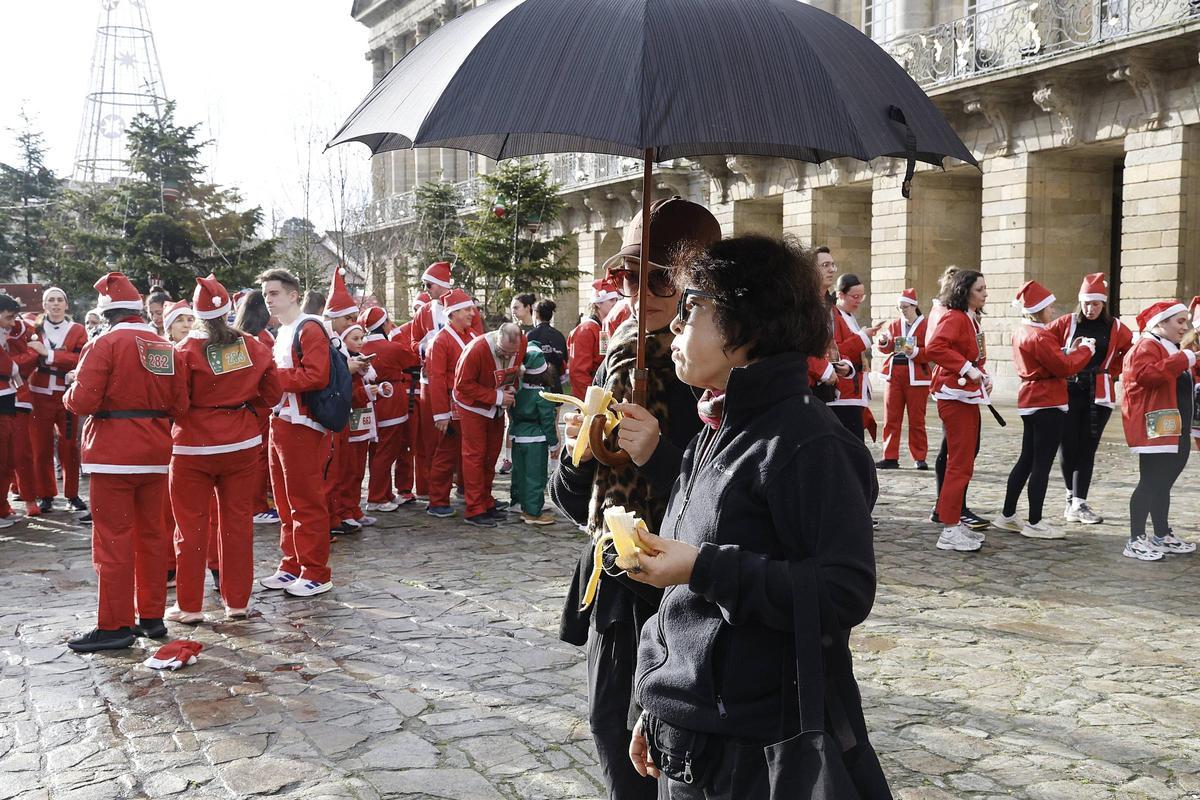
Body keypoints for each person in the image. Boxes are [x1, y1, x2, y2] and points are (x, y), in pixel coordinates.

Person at [625, 235, 890, 799]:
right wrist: (654, 702)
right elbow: (682, 604)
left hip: (757, 749)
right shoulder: (713, 430)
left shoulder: (809, 443)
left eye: (691, 307)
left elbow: (843, 591)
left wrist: (704, 568)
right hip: (690, 736)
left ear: (744, 326)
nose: (674, 324)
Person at [552, 196, 720, 800]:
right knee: (609, 725)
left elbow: (720, 499)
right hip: (612, 575)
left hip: (672, 586)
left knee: (653, 745)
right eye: (628, 274)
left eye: (660, 279)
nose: (639, 291)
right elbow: (578, 503)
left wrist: (660, 451)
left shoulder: (711, 372)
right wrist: (577, 452)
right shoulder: (617, 355)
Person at [62, 272, 189, 652]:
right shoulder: (165, 346)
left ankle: (114, 624)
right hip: (155, 452)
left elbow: (82, 402)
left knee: (113, 541)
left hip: (113, 454)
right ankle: (150, 616)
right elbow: (180, 405)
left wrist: (70, 390)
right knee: (152, 537)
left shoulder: (103, 344)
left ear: (107, 313)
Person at [167, 275, 281, 622]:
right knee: (237, 524)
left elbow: (177, 402)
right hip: (242, 444)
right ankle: (238, 602)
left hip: (192, 447)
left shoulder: (183, 350)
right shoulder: (252, 345)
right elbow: (272, 393)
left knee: (190, 528)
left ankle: (189, 606)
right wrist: (246, 412)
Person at [992, 281, 1094, 540]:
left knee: (1026, 460)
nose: (1053, 311)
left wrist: (1068, 351)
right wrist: (1085, 351)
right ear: (1038, 310)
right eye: (1049, 307)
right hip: (1048, 400)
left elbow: (1049, 359)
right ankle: (1035, 521)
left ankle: (1007, 515)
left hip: (1031, 400)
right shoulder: (1040, 334)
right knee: (1041, 465)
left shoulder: (1023, 331)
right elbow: (1065, 368)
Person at [257, 268, 337, 597]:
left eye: (273, 293)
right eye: (265, 295)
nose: (268, 300)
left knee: (305, 501)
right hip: (283, 421)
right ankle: (292, 564)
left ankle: (316, 571)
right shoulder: (285, 330)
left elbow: (317, 376)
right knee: (286, 501)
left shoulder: (309, 328)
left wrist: (272, 379)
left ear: (293, 295)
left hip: (303, 424)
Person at [1046, 273, 1133, 524]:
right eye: (1086, 303)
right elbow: (1043, 344)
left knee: (1088, 446)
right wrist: (1064, 359)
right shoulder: (1067, 323)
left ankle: (1079, 502)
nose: (1090, 308)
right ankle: (1070, 496)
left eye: (1095, 303)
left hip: (1099, 393)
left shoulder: (1115, 326)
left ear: (1103, 303)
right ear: (1080, 302)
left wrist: (1112, 371)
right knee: (1068, 444)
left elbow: (1130, 352)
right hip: (1069, 389)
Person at [1119, 300, 1197, 561]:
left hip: (1173, 424)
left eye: (1185, 321)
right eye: (1179, 322)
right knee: (1151, 482)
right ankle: (1135, 539)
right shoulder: (1146, 345)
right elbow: (1146, 376)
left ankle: (1161, 534)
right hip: (1156, 425)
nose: (1184, 327)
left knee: (1163, 483)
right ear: (1161, 322)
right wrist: (1182, 359)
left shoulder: (1168, 346)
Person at [925, 269, 991, 553]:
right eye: (980, 289)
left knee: (963, 462)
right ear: (964, 291)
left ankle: (953, 521)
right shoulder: (955, 317)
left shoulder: (968, 318)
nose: (985, 293)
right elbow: (935, 348)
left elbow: (970, 355)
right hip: (955, 396)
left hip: (964, 394)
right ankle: (950, 527)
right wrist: (966, 369)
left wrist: (980, 374)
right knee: (959, 463)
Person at [454, 322, 525, 527]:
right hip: (473, 407)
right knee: (475, 456)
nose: (506, 355)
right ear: (497, 339)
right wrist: (496, 396)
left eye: (512, 352)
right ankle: (474, 508)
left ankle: (486, 500)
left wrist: (511, 390)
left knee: (491, 454)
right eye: (503, 351)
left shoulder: (521, 344)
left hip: (497, 406)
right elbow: (462, 385)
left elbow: (513, 372)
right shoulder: (476, 350)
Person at [29, 286, 89, 514]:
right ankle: (46, 494)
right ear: (44, 305)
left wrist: (49, 354)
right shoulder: (34, 329)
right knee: (40, 446)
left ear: (66, 305)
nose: (55, 304)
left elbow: (80, 358)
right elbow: (30, 354)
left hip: (66, 395)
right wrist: (61, 357)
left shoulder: (77, 329)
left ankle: (72, 494)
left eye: (59, 300)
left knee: (69, 446)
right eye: (50, 300)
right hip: (39, 394)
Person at [425, 288, 479, 519]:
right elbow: (435, 378)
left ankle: (471, 493)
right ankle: (437, 499)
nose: (472, 313)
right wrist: (441, 414)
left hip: (468, 403)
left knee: (468, 451)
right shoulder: (441, 341)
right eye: (467, 309)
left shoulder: (470, 336)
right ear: (453, 313)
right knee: (446, 453)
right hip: (450, 403)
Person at [359, 305, 420, 511]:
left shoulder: (361, 346)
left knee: (375, 450)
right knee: (386, 452)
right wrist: (397, 336)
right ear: (384, 324)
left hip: (369, 401)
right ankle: (377, 498)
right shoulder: (392, 347)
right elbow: (412, 359)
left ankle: (383, 493)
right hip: (390, 401)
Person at [322, 269, 368, 537]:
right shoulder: (322, 338)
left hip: (340, 412)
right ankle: (328, 518)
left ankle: (335, 514)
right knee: (328, 470)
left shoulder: (337, 341)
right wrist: (347, 370)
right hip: (327, 413)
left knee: (340, 468)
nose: (352, 322)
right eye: (348, 318)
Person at [234, 290, 280, 526]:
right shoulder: (261, 339)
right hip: (260, 404)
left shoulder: (240, 336)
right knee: (260, 455)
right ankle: (257, 505)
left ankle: (259, 501)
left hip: (249, 404)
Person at [875, 288, 931, 470]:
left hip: (916, 375)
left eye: (905, 307)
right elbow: (887, 347)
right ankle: (890, 455)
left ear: (914, 306)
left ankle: (919, 456)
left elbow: (932, 352)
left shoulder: (927, 325)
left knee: (917, 419)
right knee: (891, 416)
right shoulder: (894, 325)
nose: (903, 311)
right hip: (895, 373)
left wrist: (914, 352)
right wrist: (883, 342)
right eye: (900, 308)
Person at [507, 343, 558, 525]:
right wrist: (554, 444)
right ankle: (533, 512)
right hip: (536, 439)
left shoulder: (518, 391)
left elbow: (511, 413)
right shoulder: (543, 395)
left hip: (518, 436)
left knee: (520, 473)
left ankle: (519, 502)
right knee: (535, 476)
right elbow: (547, 421)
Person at [827, 274, 881, 439]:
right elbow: (835, 351)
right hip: (843, 391)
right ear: (841, 295)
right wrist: (862, 338)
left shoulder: (849, 316)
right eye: (855, 296)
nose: (858, 301)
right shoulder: (834, 315)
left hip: (854, 390)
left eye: (861, 296)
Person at [0, 293, 37, 529]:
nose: (12, 324)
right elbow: (10, 366)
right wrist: (34, 352)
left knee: (8, 461)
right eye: (8, 318)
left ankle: (2, 508)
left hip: (7, 402)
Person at [336, 323, 376, 531]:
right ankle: (344, 510)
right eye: (355, 339)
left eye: (362, 338)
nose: (360, 342)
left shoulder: (361, 363)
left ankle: (354, 508)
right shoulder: (343, 362)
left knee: (359, 469)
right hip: (350, 422)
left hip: (362, 422)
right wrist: (367, 393)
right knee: (348, 470)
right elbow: (346, 394)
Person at [568, 277, 622, 400]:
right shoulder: (586, 329)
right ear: (598, 303)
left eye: (616, 300)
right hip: (591, 396)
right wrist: (590, 401)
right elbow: (578, 372)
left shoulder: (603, 327)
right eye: (611, 300)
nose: (615, 304)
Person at [528, 299, 568, 394]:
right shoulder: (559, 335)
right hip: (556, 387)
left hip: (535, 388)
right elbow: (564, 361)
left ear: (536, 314)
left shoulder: (531, 335)